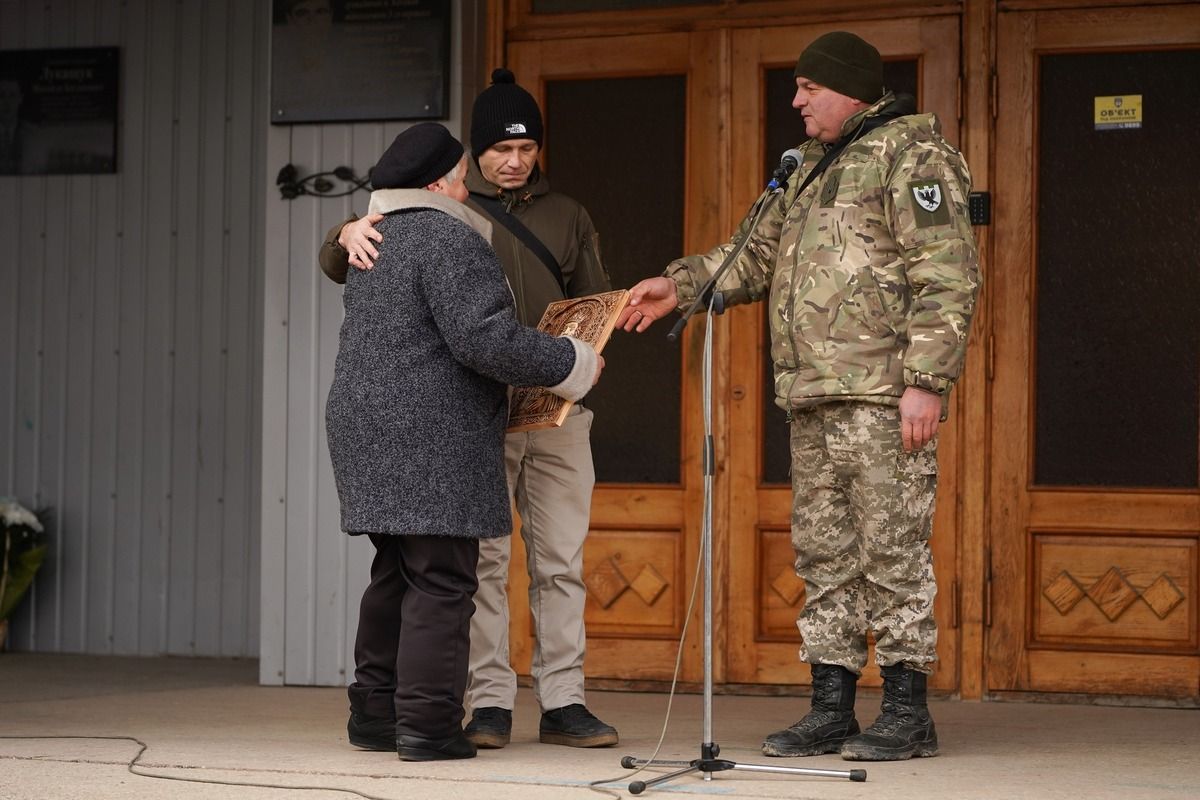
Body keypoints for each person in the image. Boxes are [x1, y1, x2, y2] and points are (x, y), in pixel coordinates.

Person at [618, 31, 981, 762]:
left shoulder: (913, 156)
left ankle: (908, 712)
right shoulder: (807, 167)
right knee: (826, 553)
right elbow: (752, 253)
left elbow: (948, 274)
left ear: (850, 89)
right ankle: (831, 706)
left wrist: (925, 382)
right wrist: (682, 284)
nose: (797, 101)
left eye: (810, 88)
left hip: (883, 396)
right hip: (813, 397)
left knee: (893, 551)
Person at [320, 69, 618, 750]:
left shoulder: (564, 214)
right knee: (459, 569)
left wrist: (577, 366)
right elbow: (479, 335)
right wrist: (343, 231)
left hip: (537, 410)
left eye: (528, 147)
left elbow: (596, 306)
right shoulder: (435, 225)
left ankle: (556, 701)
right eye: (496, 150)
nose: (514, 160)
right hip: (462, 416)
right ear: (460, 166)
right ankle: (468, 710)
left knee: (534, 562)